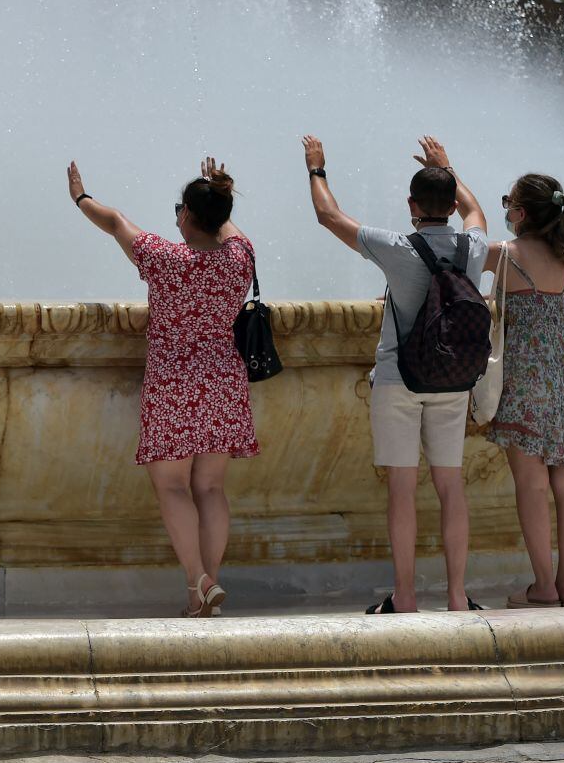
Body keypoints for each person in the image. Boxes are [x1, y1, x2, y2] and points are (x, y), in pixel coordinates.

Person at [65, 157, 259, 617]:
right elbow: (230, 230)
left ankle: (197, 581)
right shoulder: (240, 259)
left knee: (172, 487)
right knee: (210, 488)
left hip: (173, 381)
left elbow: (114, 221)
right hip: (222, 379)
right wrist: (217, 191)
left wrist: (80, 197)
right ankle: (207, 589)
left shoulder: (164, 258)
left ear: (186, 214)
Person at [302, 135, 487, 613]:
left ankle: (405, 596)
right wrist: (449, 168)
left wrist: (316, 168)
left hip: (399, 379)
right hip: (453, 380)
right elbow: (477, 212)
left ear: (411, 205)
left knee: (402, 491)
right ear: (451, 205)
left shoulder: (396, 247)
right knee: (451, 487)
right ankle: (457, 596)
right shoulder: (473, 247)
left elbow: (328, 216)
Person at [485, 175, 564, 609]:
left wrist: (452, 179)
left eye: (508, 203)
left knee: (532, 485)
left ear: (519, 213)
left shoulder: (505, 254)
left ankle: (543, 587)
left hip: (525, 375)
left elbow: (459, 253)